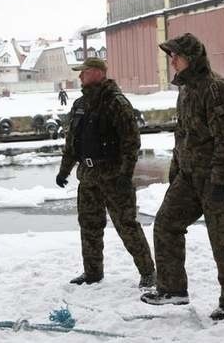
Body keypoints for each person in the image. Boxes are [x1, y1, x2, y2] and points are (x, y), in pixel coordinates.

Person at [140, 33, 224, 321]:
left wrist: (219, 183)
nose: (171, 60)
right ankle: (173, 289)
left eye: (175, 55)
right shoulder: (186, 90)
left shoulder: (218, 91)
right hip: (189, 178)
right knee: (165, 224)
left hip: (218, 180)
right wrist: (176, 171)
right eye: (170, 55)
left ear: (191, 58)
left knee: (223, 240)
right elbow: (183, 135)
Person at [55, 57, 156, 288]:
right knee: (89, 225)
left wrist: (125, 176)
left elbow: (131, 144)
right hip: (88, 176)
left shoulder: (116, 103)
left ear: (99, 73)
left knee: (126, 225)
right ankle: (92, 272)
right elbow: (72, 143)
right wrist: (64, 170)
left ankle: (148, 272)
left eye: (85, 72)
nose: (80, 76)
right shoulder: (80, 105)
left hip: (113, 175)